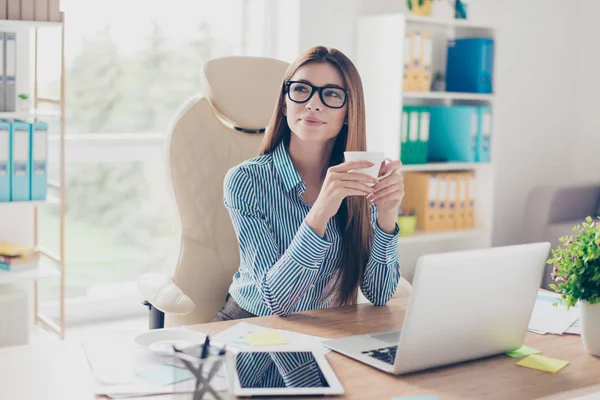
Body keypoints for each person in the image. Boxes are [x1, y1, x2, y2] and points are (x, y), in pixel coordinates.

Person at [212, 46, 404, 321]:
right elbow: (278, 301)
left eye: (332, 94)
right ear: (284, 102)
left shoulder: (361, 178)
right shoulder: (246, 181)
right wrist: (321, 212)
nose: (313, 104)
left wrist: (387, 213)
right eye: (301, 89)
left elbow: (380, 293)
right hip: (253, 327)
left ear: (349, 112)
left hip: (323, 329)